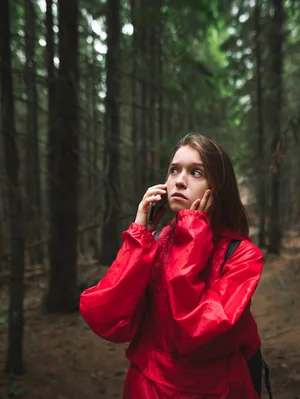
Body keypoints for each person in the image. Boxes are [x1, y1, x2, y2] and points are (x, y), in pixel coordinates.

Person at [79, 133, 265, 398]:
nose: (179, 180)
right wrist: (139, 235)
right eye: (174, 170)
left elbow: (193, 330)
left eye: (196, 172)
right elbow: (107, 318)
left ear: (219, 187)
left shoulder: (243, 256)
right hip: (146, 388)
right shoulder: (153, 243)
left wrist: (192, 233)